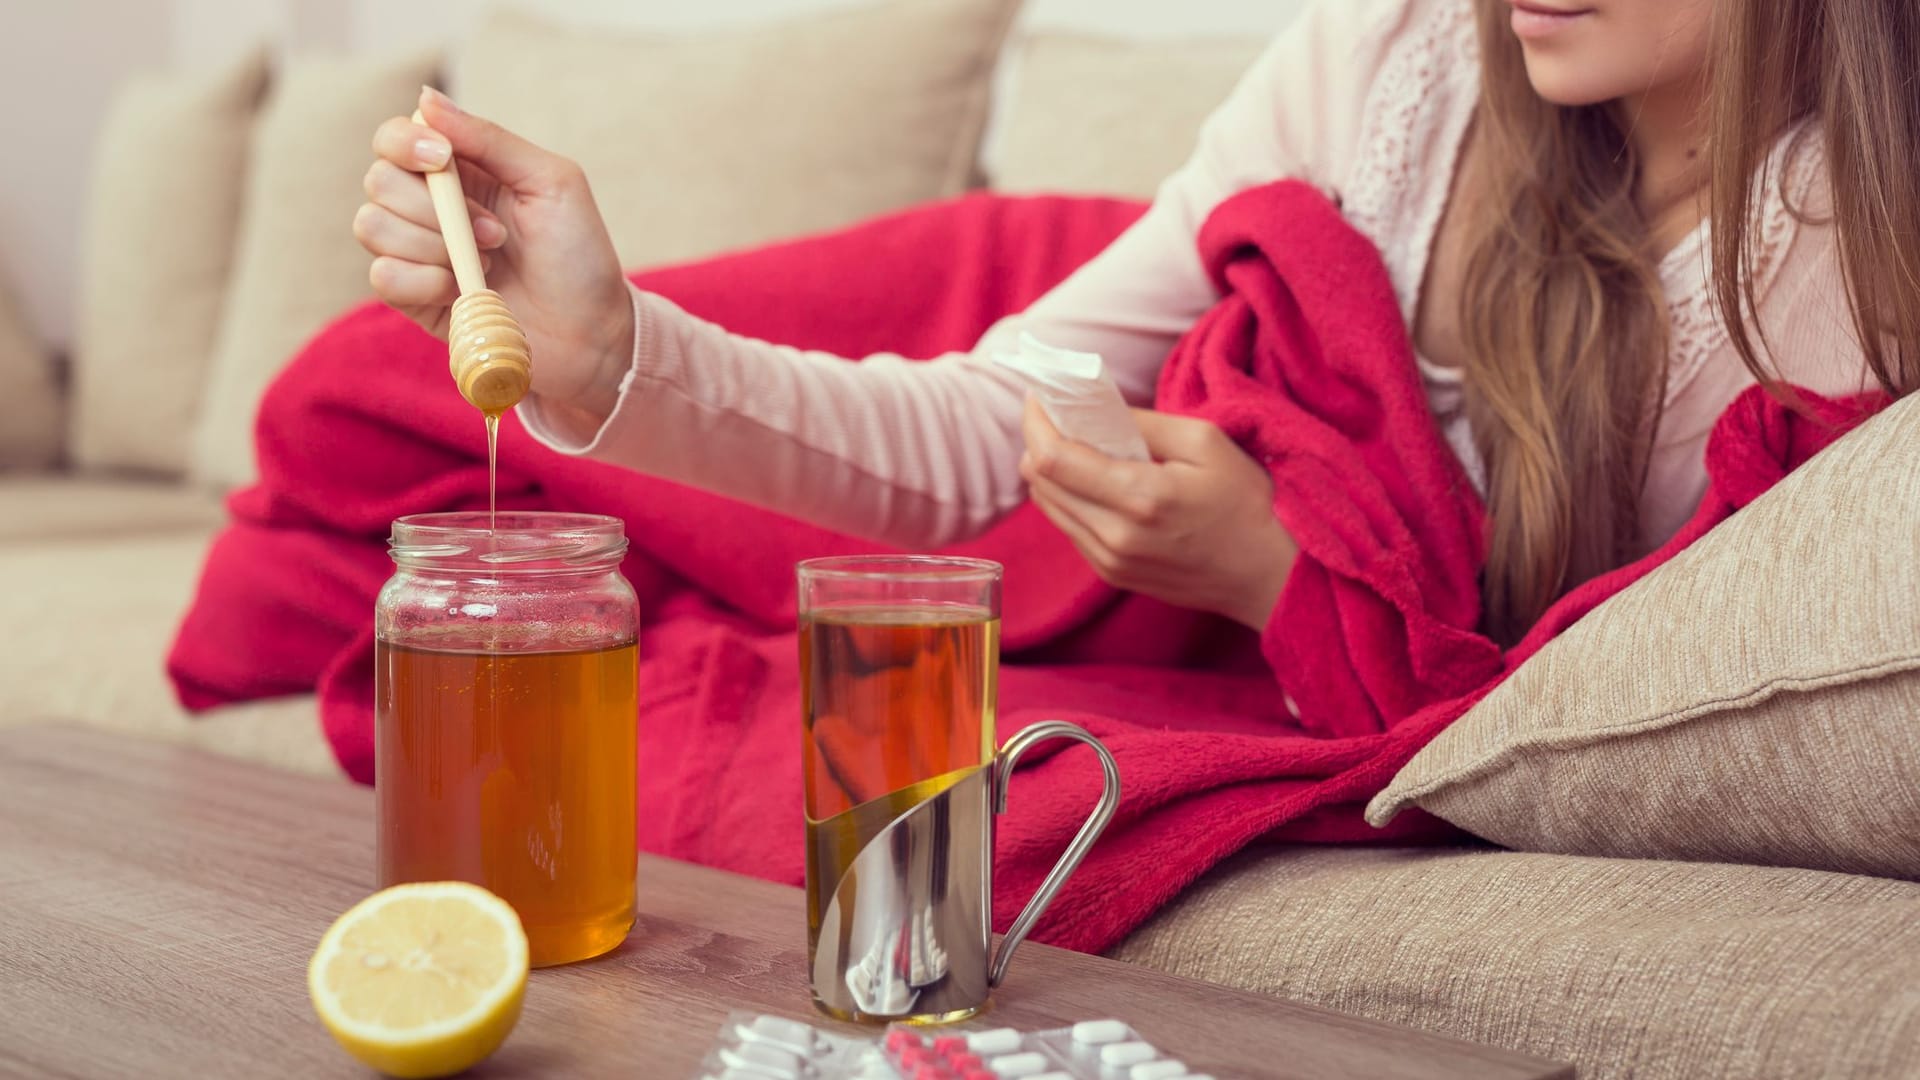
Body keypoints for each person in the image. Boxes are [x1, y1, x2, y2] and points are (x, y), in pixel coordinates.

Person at [354, 0, 1918, 644]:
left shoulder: (1859, 280)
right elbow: (994, 411)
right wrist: (613, 349)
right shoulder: (1395, 56)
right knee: (366, 395)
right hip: (1096, 302)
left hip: (1230, 543)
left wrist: (1285, 584)